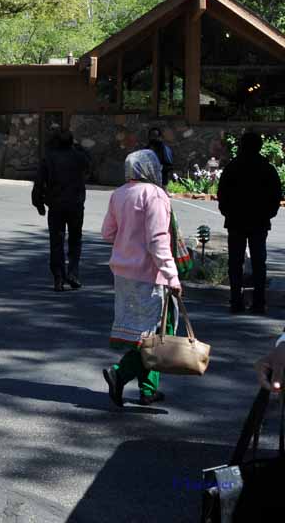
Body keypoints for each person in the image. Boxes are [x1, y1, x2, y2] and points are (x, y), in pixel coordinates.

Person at [101, 149, 181, 407]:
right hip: (149, 274)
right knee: (154, 334)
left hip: (123, 272)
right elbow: (158, 241)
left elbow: (107, 233)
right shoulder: (155, 194)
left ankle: (148, 390)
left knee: (142, 333)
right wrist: (172, 275)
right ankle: (120, 373)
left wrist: (129, 239)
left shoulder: (119, 193)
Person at [217, 132, 281, 315]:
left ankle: (236, 301)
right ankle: (259, 302)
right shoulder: (267, 169)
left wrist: (227, 212)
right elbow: (275, 196)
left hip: (236, 221)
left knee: (235, 262)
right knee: (259, 262)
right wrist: (268, 214)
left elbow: (222, 194)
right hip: (259, 221)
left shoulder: (232, 167)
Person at [32, 128, 90, 292]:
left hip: (56, 205)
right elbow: (89, 163)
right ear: (71, 142)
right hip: (76, 204)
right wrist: (78, 147)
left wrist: (38, 203)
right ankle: (73, 273)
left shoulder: (49, 157)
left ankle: (58, 277)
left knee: (56, 241)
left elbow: (39, 182)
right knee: (75, 239)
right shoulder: (79, 156)